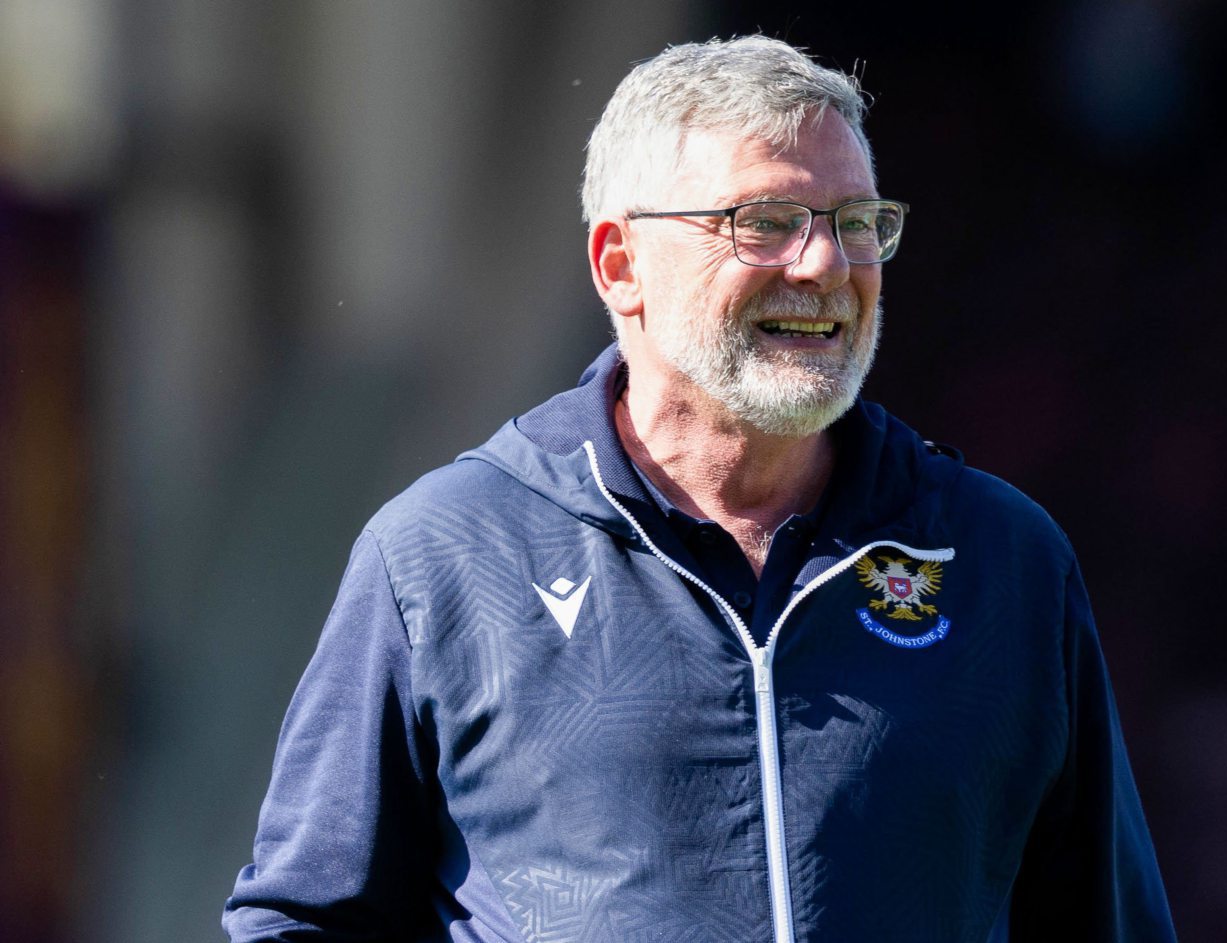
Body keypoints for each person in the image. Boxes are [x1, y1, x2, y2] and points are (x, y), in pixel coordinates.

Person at [223, 36, 1176, 943]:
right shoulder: (446, 554)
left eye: (856, 224)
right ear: (620, 264)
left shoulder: (1003, 561)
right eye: (764, 223)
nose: (826, 266)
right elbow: (305, 920)